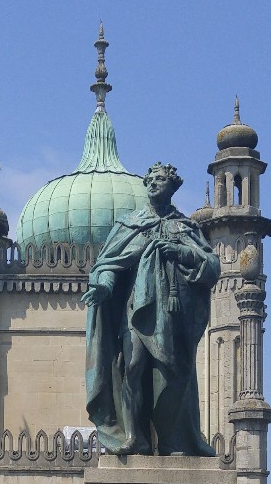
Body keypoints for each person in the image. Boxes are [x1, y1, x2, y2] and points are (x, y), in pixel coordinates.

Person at [82, 162, 220, 456]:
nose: (154, 184)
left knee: (168, 377)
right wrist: (104, 285)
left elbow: (211, 265)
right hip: (134, 311)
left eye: (160, 179)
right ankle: (135, 437)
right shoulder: (129, 224)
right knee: (131, 368)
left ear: (173, 186)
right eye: (151, 180)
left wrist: (181, 251)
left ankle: (172, 441)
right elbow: (108, 264)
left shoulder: (186, 227)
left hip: (170, 316)